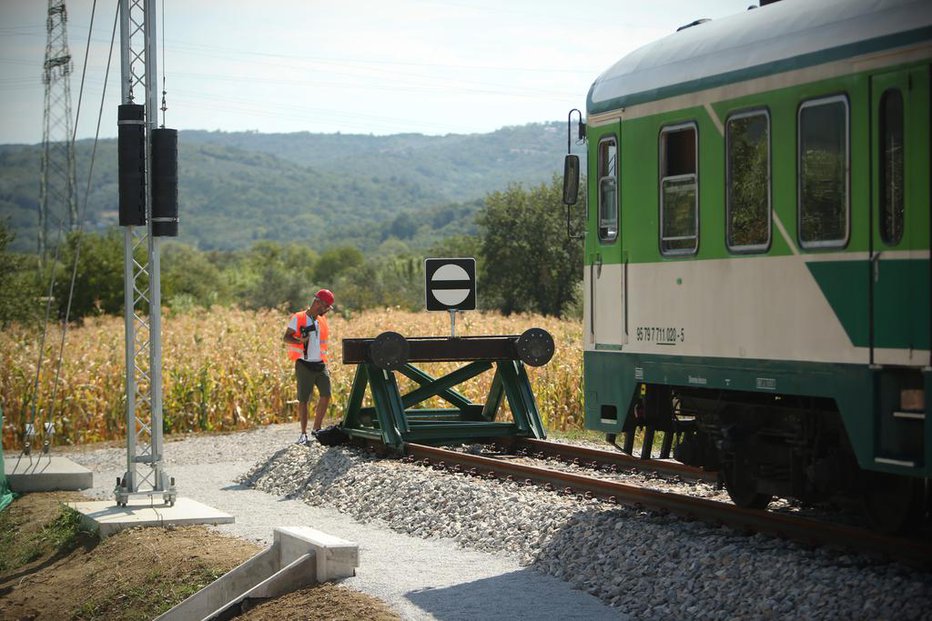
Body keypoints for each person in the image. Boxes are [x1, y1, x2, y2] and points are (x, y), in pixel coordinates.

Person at [283, 288, 334, 445]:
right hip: (304, 364)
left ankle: (316, 429)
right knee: (304, 400)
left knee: (326, 394)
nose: (327, 310)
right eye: (326, 307)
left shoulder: (322, 320)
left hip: (320, 364)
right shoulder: (298, 318)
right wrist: (300, 341)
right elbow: (286, 338)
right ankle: (303, 434)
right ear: (318, 303)